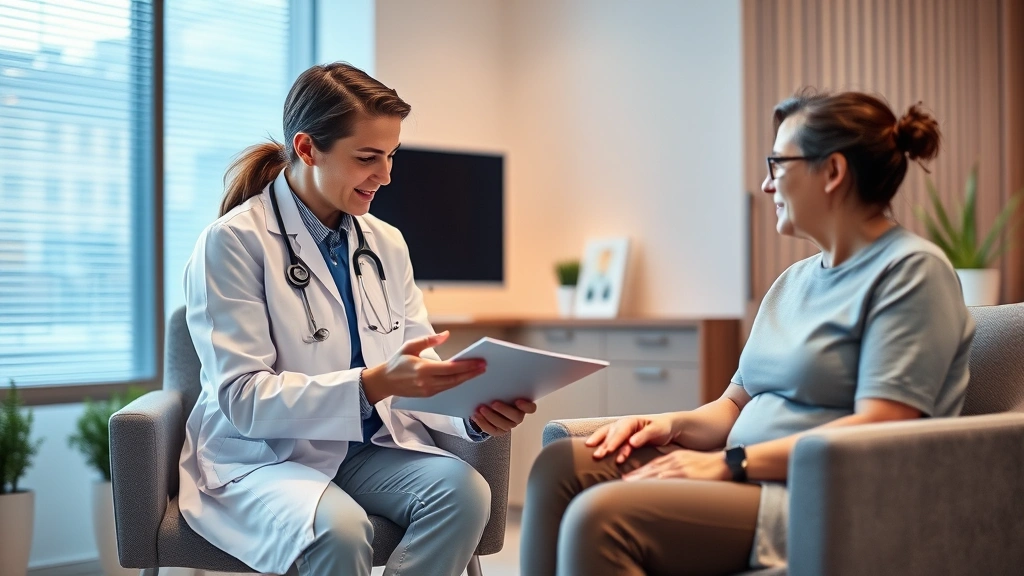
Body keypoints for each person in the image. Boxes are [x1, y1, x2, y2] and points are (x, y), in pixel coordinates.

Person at [520, 90, 976, 575]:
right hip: (741, 475)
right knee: (560, 468)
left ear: (833, 172)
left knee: (601, 518)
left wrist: (731, 463)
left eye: (777, 164)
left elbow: (884, 427)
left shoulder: (911, 272)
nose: (765, 185)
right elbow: (734, 404)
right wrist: (670, 423)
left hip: (819, 497)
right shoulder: (792, 282)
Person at [177, 62, 535, 576]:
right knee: (341, 532)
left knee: (463, 493)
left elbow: (417, 362)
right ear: (306, 149)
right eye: (368, 158)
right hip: (267, 455)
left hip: (367, 450)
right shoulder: (233, 243)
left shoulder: (385, 242)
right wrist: (369, 385)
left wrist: (470, 415)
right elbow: (243, 400)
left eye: (391, 157)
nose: (386, 176)